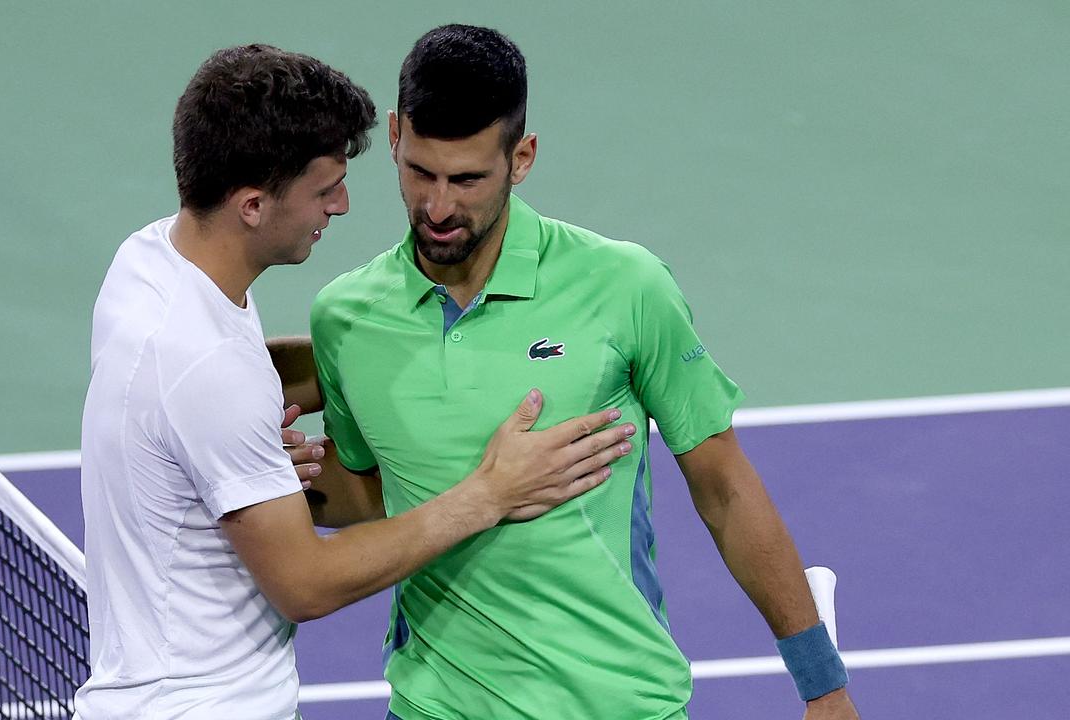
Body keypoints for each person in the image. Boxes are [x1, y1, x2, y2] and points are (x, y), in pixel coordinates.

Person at [302, 25, 860, 720]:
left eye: (468, 179)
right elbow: (371, 489)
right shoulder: (346, 319)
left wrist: (824, 687)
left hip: (617, 703)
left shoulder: (625, 287)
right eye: (420, 172)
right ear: (393, 137)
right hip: (433, 706)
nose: (439, 207)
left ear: (522, 157)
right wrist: (252, 472)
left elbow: (725, 490)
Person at [73, 43, 636, 720]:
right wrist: (489, 494)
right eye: (324, 189)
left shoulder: (150, 263)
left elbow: (211, 387)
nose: (340, 205)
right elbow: (304, 586)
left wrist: (383, 354)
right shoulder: (208, 372)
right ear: (253, 204)